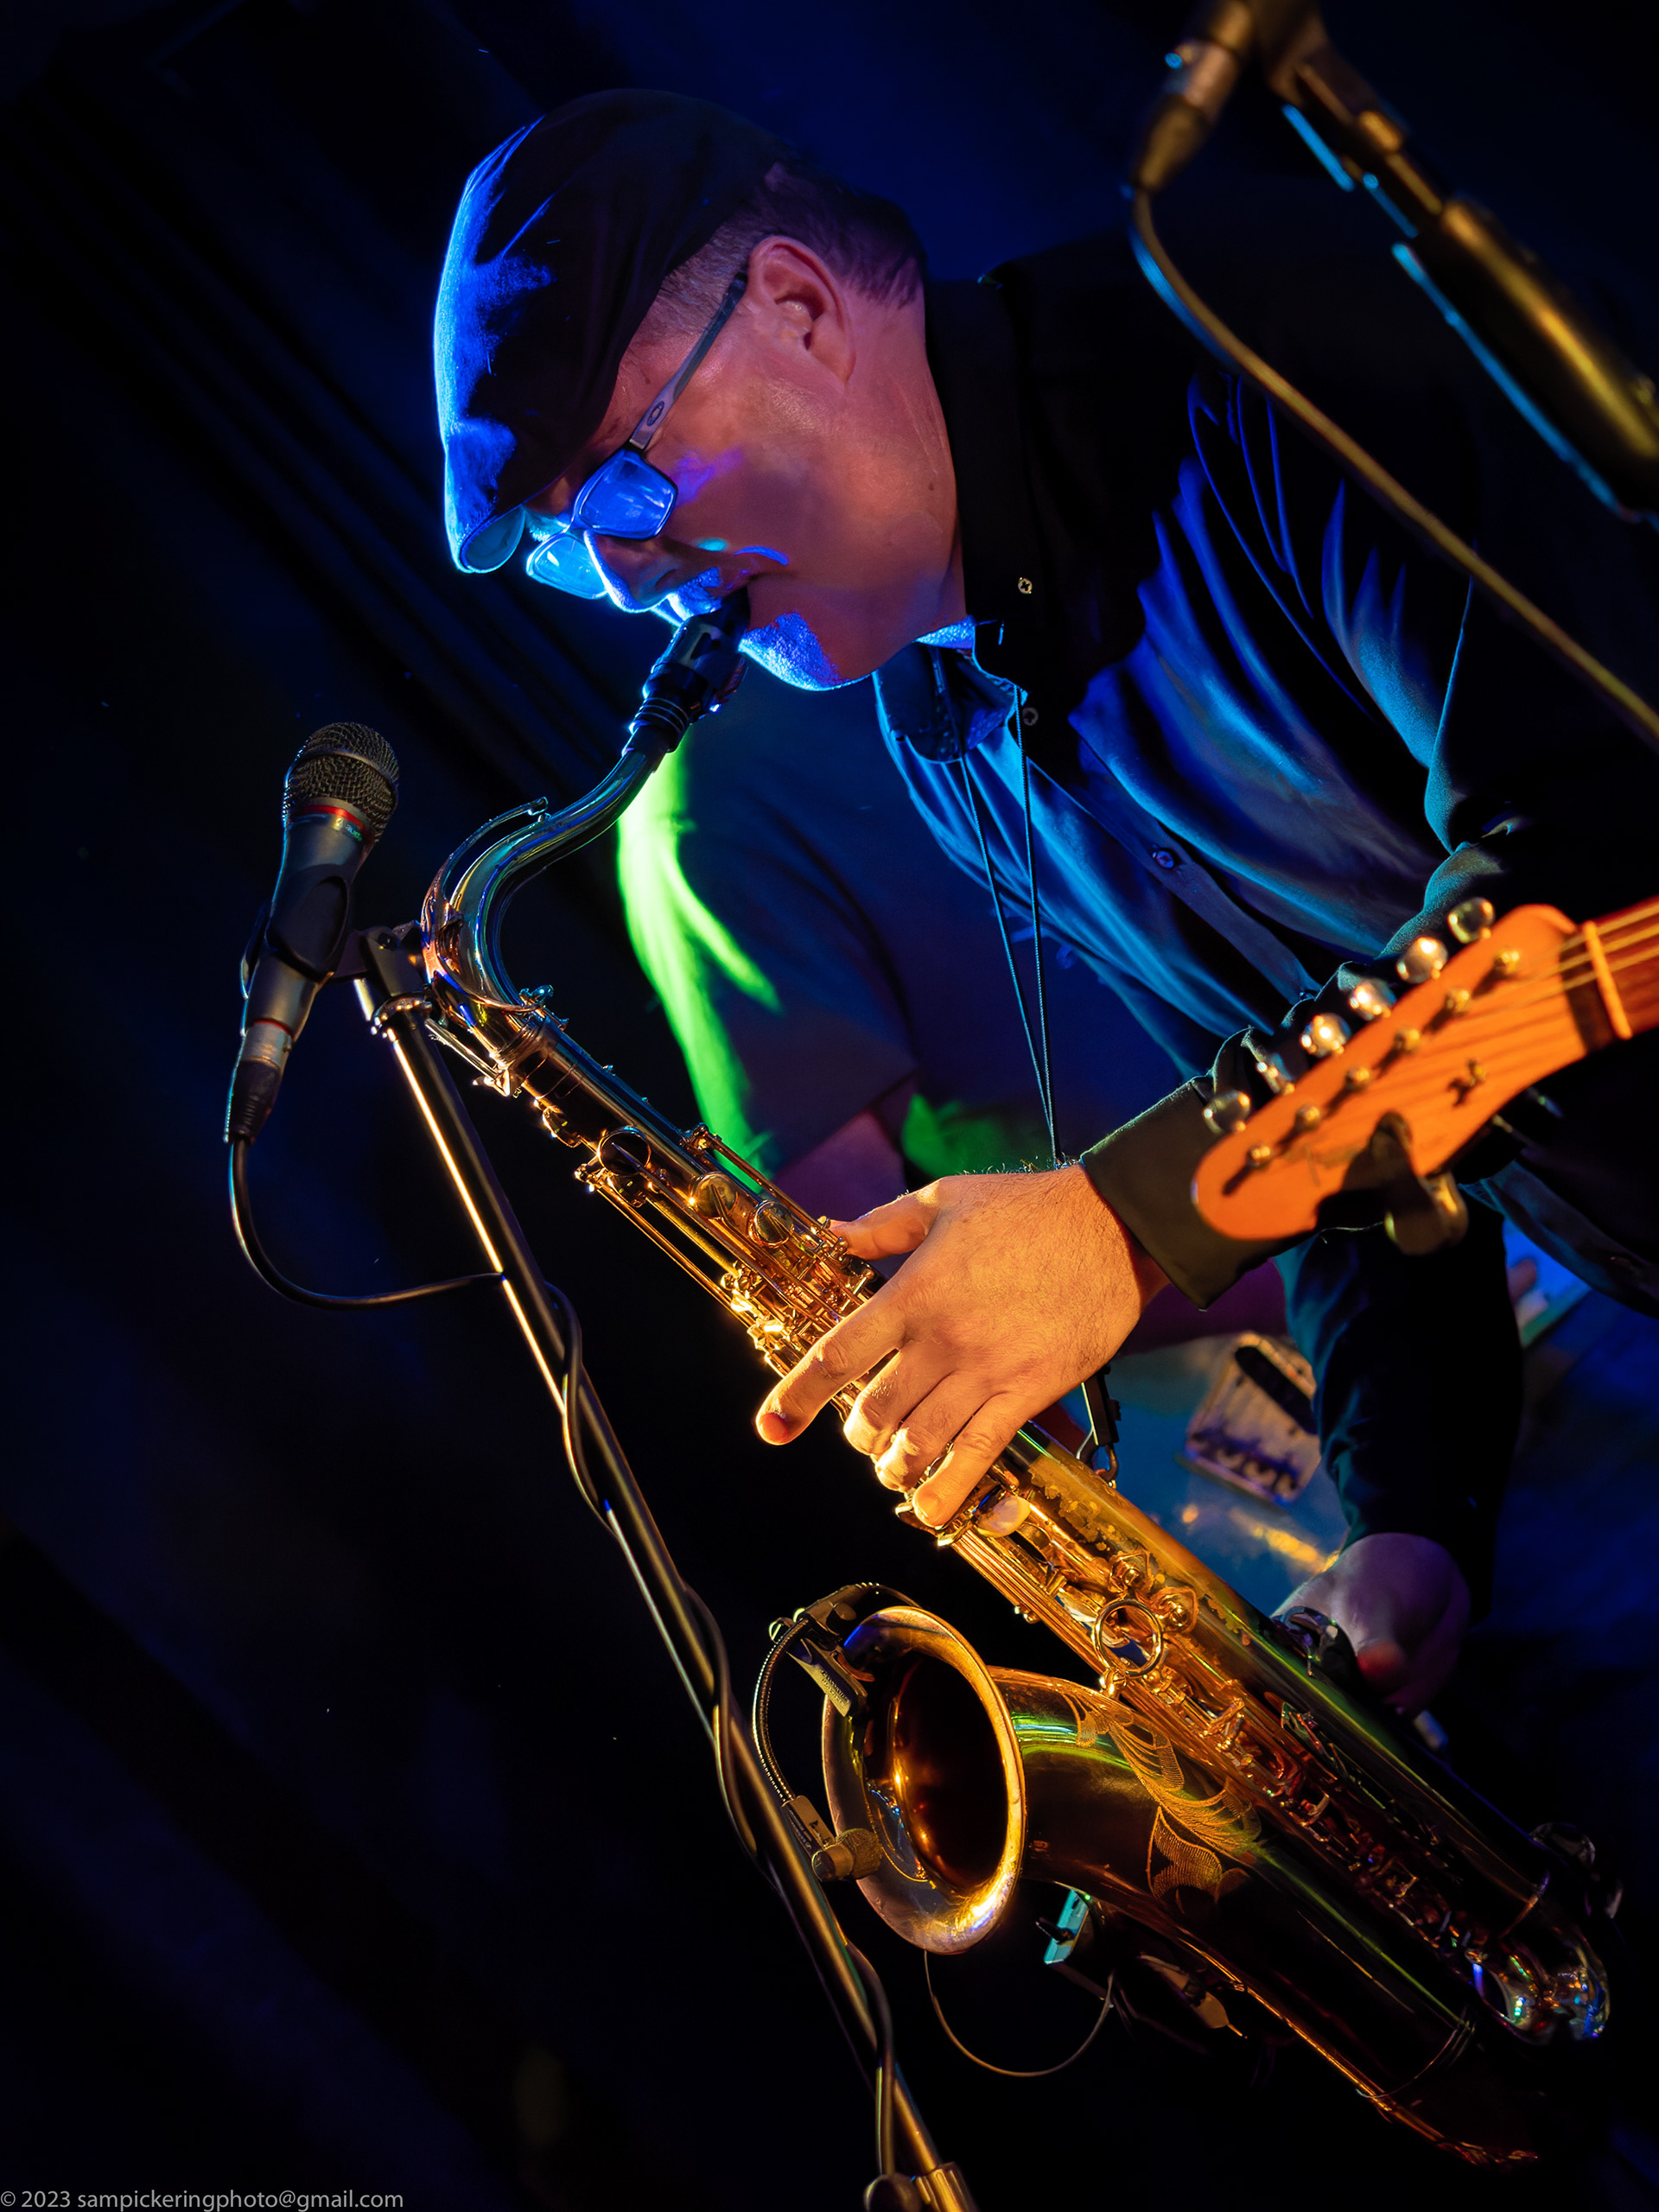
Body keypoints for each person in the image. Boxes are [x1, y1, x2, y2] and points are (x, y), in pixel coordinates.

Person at [432, 91, 1659, 1711]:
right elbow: (1346, 1100)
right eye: (568, 555)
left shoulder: (1254, 355)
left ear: (797, 307)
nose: (625, 580)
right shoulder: (947, 732)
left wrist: (1133, 1217)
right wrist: (1416, 1514)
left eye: (621, 490)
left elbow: (1599, 875)